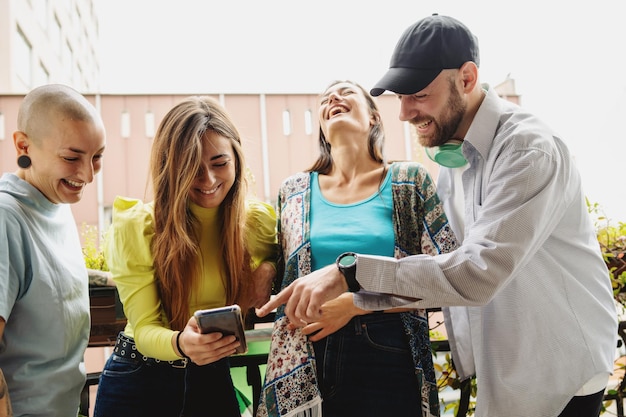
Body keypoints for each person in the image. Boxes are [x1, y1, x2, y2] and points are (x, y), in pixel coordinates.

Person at [258, 14, 619, 417]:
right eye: (400, 97)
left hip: (558, 370)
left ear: (467, 78)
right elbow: (441, 268)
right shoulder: (454, 161)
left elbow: (476, 272)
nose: (405, 113)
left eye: (419, 95)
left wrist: (349, 273)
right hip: (508, 370)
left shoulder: (526, 150)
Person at [257, 80, 457, 417]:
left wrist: (356, 304)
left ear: (374, 118)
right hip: (304, 357)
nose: (334, 97)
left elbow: (445, 278)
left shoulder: (408, 181)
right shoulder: (292, 192)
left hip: (387, 350)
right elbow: (279, 272)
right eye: (326, 98)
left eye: (346, 91)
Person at [93, 96, 278, 417]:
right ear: (170, 168)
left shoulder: (257, 222)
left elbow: (292, 259)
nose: (208, 180)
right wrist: (181, 343)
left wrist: (269, 268)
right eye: (191, 168)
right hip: (138, 380)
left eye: (219, 163)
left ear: (236, 157)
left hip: (211, 376)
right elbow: (146, 328)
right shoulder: (137, 227)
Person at [0, 84, 107, 417]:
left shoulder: (55, 204)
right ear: (23, 145)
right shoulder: (6, 217)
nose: (87, 174)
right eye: (72, 157)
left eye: (97, 157)